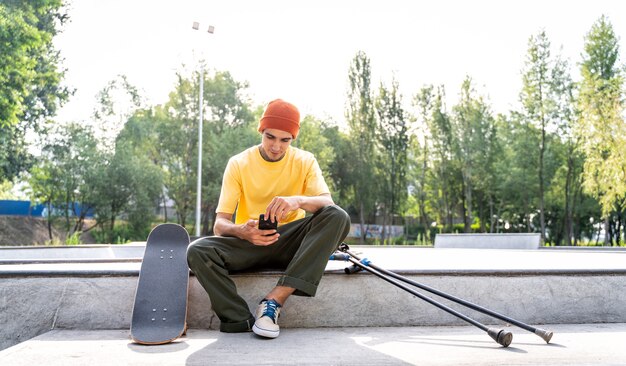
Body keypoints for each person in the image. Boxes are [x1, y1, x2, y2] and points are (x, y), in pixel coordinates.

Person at [187, 98, 351, 339]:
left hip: (290, 244)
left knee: (338, 216)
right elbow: (220, 224)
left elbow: (328, 203)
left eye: (285, 140)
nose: (276, 146)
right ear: (261, 131)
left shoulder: (305, 161)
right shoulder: (238, 163)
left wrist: (298, 200)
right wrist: (242, 231)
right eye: (270, 137)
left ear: (293, 139)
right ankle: (237, 318)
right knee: (197, 250)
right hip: (249, 244)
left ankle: (274, 301)